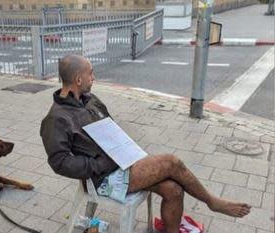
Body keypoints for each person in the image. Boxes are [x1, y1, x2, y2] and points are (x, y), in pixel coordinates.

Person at [40, 54, 251, 233]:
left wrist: (123, 147)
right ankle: (212, 201)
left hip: (120, 162)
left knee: (174, 190)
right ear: (78, 79)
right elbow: (59, 162)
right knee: (171, 163)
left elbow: (110, 127)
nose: (93, 78)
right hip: (103, 178)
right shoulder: (57, 118)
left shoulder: (89, 99)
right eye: (91, 73)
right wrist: (99, 165)